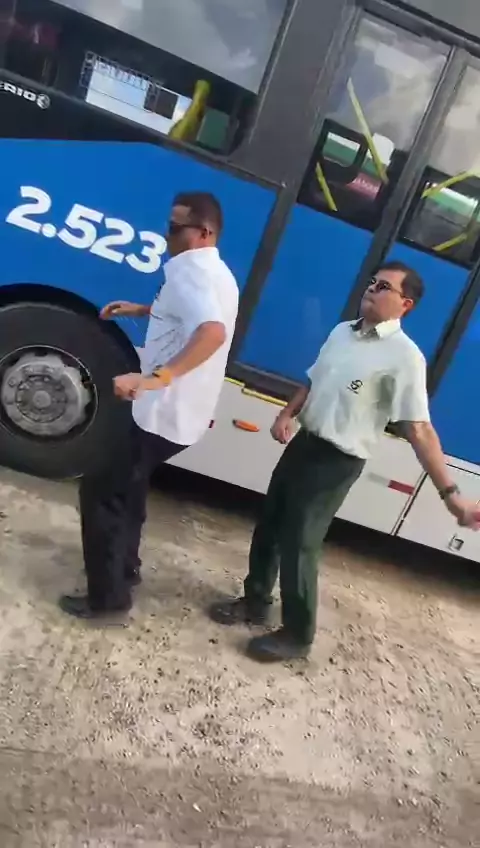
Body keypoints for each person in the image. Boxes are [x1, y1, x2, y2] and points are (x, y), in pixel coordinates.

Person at [210, 261, 480, 662]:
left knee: (300, 542)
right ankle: (255, 601)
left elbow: (420, 428)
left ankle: (297, 635)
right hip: (305, 444)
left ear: (405, 304)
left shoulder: (405, 357)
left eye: (383, 286)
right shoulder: (342, 332)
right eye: (372, 282)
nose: (371, 289)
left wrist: (451, 495)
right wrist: (287, 414)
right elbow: (314, 380)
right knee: (270, 523)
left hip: (337, 460)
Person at [59, 191, 238, 620]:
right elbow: (188, 312)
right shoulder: (215, 272)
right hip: (179, 412)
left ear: (203, 232)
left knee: (102, 490)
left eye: (175, 228)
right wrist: (143, 309)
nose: (167, 234)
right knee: (129, 487)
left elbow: (212, 332)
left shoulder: (194, 273)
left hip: (162, 410)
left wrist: (154, 378)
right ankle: (125, 568)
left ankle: (109, 599)